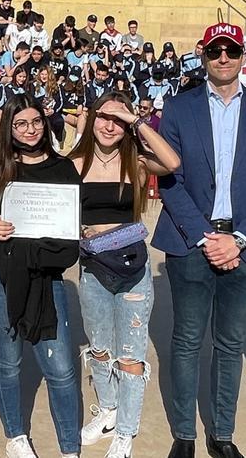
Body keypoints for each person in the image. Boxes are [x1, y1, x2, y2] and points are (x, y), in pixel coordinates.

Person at [154, 22, 246, 458]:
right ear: (203, 55)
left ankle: (223, 434)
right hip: (191, 241)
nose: (224, 58)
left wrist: (241, 239)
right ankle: (184, 435)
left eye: (231, 50)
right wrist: (205, 236)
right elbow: (169, 180)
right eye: (216, 51)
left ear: (243, 56)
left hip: (245, 245)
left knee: (230, 343)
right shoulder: (178, 108)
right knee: (188, 340)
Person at [70, 91, 181, 458]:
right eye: (104, 116)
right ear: (92, 118)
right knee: (99, 349)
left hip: (132, 268)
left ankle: (126, 431)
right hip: (92, 268)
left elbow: (173, 161)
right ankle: (108, 410)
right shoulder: (76, 163)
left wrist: (136, 122)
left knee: (131, 354)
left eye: (118, 120)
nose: (109, 125)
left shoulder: (136, 162)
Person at [0, 94, 83, 458]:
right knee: (7, 362)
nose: (30, 130)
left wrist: (35, 250)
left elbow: (70, 240)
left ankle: (70, 447)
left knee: (62, 368)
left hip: (46, 278)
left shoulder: (64, 170)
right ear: (9, 127)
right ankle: (15, 435)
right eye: (20, 123)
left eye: (36, 122)